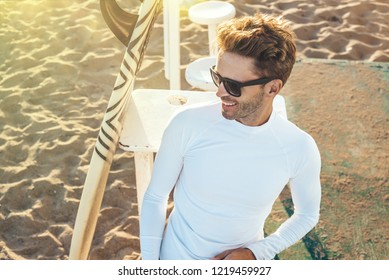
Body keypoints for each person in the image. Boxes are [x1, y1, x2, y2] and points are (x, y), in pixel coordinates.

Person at [140, 13, 321, 260]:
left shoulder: (298, 148)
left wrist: (256, 253)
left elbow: (307, 214)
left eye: (233, 86)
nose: (219, 92)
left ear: (272, 88)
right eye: (218, 78)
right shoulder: (187, 124)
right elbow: (155, 197)